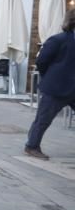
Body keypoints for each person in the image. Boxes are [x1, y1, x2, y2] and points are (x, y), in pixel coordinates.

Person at [24, 8, 75, 160]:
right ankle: (32, 146)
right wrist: (50, 77)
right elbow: (42, 61)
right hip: (56, 88)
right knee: (44, 119)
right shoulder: (58, 40)